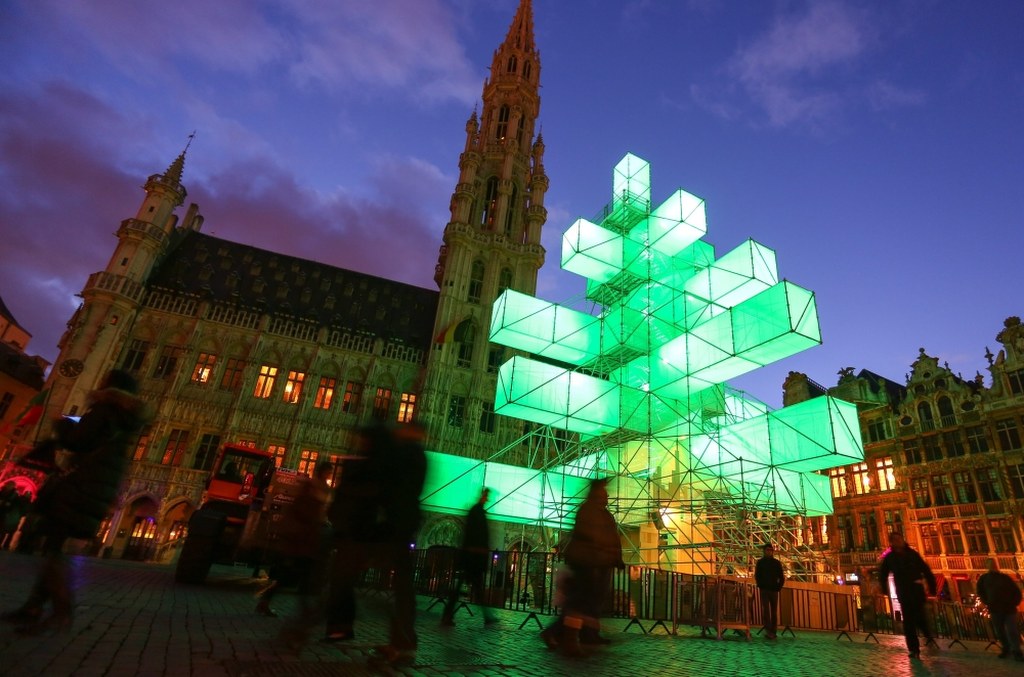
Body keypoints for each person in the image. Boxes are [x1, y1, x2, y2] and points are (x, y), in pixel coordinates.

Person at [1, 369, 148, 634]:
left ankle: (60, 611)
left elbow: (78, 441)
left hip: (80, 485)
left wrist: (63, 425)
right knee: (53, 546)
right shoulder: (126, 418)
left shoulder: (105, 409)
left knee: (52, 548)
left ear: (110, 386)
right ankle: (35, 607)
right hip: (95, 487)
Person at [323, 422, 427, 665]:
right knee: (398, 585)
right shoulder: (409, 453)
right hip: (395, 525)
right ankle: (399, 642)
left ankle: (400, 644)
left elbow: (391, 488)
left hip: (394, 526)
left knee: (394, 585)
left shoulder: (408, 453)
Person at [540, 477, 624, 656]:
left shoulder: (603, 513)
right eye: (604, 491)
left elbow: (613, 537)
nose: (607, 495)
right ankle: (566, 638)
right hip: (588, 563)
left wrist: (617, 557)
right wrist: (605, 551)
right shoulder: (588, 510)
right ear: (596, 493)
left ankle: (578, 635)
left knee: (586, 603)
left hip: (598, 563)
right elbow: (592, 537)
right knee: (579, 604)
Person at [441, 487, 496, 627]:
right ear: (482, 496)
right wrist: (479, 550)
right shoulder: (476, 511)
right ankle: (448, 615)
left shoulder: (478, 511)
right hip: (472, 556)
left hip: (473, 556)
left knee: (476, 588)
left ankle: (487, 616)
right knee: (467, 588)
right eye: (486, 495)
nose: (487, 498)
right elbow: (474, 534)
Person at [878, 532, 936, 659]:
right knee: (908, 622)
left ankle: (928, 636)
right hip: (904, 591)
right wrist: (884, 588)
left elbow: (925, 569)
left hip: (916, 590)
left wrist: (932, 586)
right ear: (891, 542)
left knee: (920, 618)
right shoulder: (890, 557)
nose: (898, 542)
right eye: (894, 540)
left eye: (899, 539)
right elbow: (883, 573)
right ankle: (914, 649)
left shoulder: (912, 554)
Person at [976, 558, 1024, 661]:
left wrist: (1014, 602)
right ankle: (1006, 648)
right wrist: (987, 601)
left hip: (1008, 608)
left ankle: (1016, 650)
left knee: (1011, 630)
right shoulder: (984, 579)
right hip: (995, 608)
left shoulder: (1004, 578)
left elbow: (1016, 591)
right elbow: (980, 591)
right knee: (1000, 631)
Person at [754, 543, 785, 639]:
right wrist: (761, 585)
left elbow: (781, 576)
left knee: (773, 612)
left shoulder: (776, 563)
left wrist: (778, 587)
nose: (769, 552)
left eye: (770, 550)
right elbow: (757, 575)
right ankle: (769, 631)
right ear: (764, 551)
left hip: (773, 589)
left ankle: (773, 631)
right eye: (767, 550)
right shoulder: (761, 562)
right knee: (767, 611)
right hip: (765, 589)